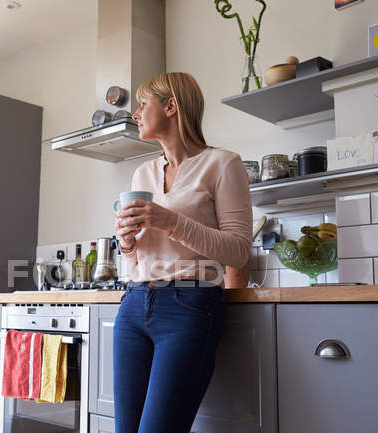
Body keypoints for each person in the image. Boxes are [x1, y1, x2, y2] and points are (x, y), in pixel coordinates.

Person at [113, 72, 252, 433]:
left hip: (189, 307)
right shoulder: (142, 174)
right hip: (133, 305)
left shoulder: (222, 164)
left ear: (171, 106)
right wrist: (127, 243)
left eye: (143, 104)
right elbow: (137, 258)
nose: (136, 113)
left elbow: (238, 250)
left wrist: (170, 221)